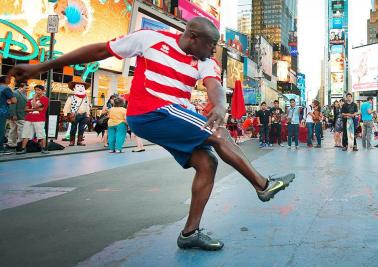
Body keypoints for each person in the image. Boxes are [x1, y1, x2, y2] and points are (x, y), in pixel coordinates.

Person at [10, 16, 295, 251]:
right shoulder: (150, 39)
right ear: (193, 37)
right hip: (151, 110)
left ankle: (190, 234)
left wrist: (221, 104)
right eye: (211, 44)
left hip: (170, 115)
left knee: (207, 163)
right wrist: (40, 66)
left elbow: (214, 86)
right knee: (218, 133)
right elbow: (98, 51)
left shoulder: (204, 61)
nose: (214, 50)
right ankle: (262, 185)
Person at [17, 84, 49, 154]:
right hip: (28, 119)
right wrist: (35, 109)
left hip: (39, 119)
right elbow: (25, 109)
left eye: (39, 90)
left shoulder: (45, 99)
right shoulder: (30, 100)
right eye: (36, 90)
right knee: (25, 134)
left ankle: (44, 148)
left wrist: (34, 100)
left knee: (41, 134)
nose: (36, 91)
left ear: (43, 91)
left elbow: (35, 105)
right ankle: (23, 149)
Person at [63, 77, 92, 146]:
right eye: (78, 86)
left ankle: (79, 141)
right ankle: (72, 141)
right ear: (74, 88)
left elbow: (87, 106)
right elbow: (67, 106)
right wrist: (65, 114)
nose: (81, 88)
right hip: (75, 115)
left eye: (82, 86)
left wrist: (88, 115)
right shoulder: (71, 98)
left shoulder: (86, 98)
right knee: (73, 128)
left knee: (82, 128)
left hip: (84, 115)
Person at [7, 82, 27, 151]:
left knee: (14, 129)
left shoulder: (22, 94)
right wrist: (13, 114)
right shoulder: (16, 93)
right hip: (18, 115)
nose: (26, 89)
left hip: (20, 115)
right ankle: (18, 143)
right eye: (26, 87)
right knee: (19, 130)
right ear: (21, 87)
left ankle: (12, 143)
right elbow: (13, 105)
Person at [0, 75, 17, 155]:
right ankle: (1, 149)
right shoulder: (6, 88)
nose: (11, 81)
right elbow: (14, 100)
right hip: (2, 112)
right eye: (10, 79)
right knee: (1, 131)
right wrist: (10, 102)